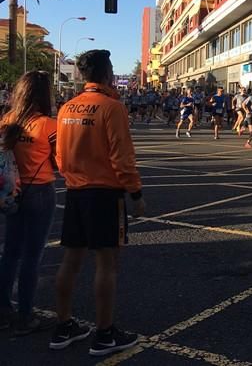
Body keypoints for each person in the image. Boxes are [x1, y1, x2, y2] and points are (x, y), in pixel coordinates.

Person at [52, 49, 145, 356]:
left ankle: (63, 325)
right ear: (106, 74)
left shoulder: (67, 108)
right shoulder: (111, 107)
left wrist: (72, 176)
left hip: (75, 191)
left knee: (71, 259)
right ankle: (105, 334)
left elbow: (60, 156)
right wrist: (135, 193)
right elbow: (122, 157)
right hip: (104, 194)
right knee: (107, 265)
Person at [0, 71, 57, 335]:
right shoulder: (48, 125)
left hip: (12, 191)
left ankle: (3, 311)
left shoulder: (6, 120)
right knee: (32, 256)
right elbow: (59, 161)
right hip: (39, 190)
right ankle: (25, 315)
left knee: (10, 252)